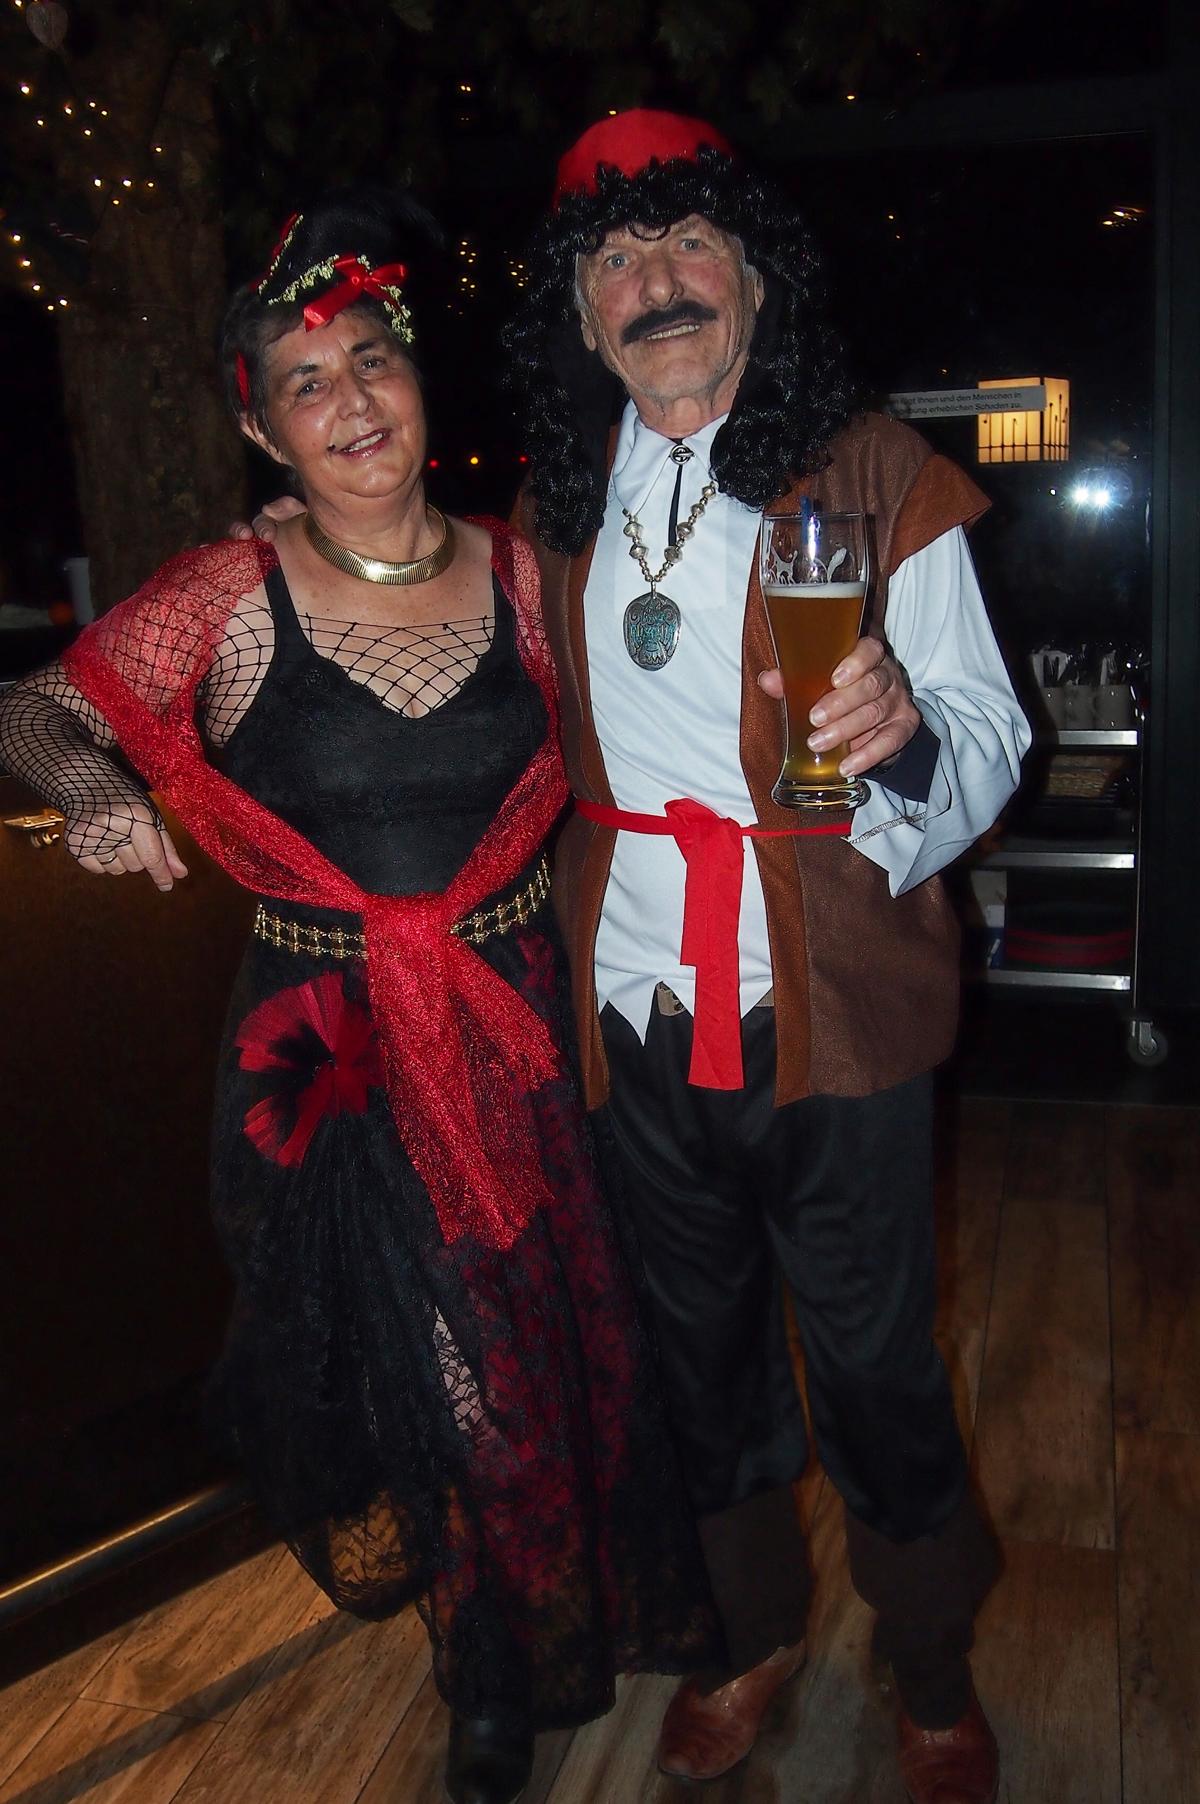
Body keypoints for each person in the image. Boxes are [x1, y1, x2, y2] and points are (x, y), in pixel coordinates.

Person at [0, 193, 719, 1804]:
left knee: (527, 1342)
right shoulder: (226, 587)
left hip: (514, 1010)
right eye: (305, 383)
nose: (352, 401)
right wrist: (97, 796)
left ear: (417, 378)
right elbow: (35, 711)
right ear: (265, 430)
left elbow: (654, 722)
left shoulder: (526, 571)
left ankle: (531, 1615)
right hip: (329, 1041)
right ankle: (489, 1670)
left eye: (372, 360)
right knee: (430, 1361)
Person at [497, 110, 1031, 1804]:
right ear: (583, 318)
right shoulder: (549, 510)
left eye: (688, 246)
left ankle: (929, 1664)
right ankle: (750, 1633)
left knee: (873, 1357)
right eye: (616, 261)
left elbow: (992, 732)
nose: (655, 284)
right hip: (630, 1001)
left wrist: (906, 731)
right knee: (694, 1349)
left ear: (752, 280)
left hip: (833, 1003)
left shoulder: (872, 471)